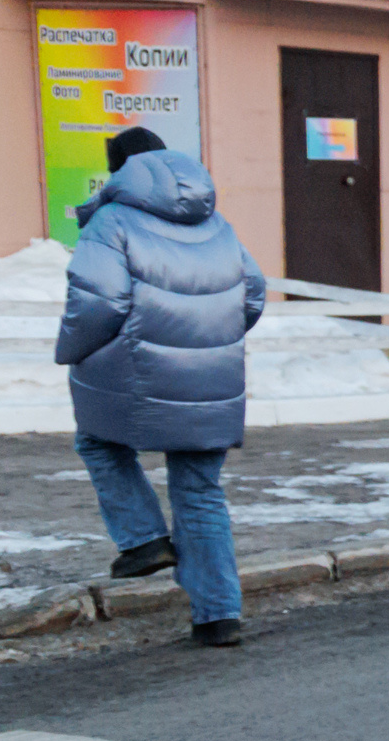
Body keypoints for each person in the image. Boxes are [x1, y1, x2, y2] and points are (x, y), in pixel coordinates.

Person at [55, 129, 265, 648]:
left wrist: (71, 349)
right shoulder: (216, 223)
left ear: (120, 168)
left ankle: (144, 539)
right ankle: (219, 617)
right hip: (212, 377)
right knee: (199, 490)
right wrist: (210, 338)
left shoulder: (112, 220)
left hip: (140, 371)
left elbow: (99, 301)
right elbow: (254, 294)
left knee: (97, 440)